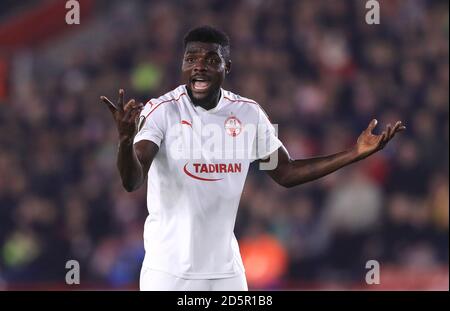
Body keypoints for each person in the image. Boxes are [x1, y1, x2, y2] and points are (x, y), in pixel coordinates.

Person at [100, 25, 405, 291]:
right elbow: (132, 180)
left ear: (227, 67)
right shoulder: (161, 111)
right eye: (191, 59)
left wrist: (354, 153)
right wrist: (126, 140)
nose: (199, 66)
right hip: (168, 271)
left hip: (226, 271)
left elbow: (284, 173)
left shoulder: (248, 113)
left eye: (211, 59)